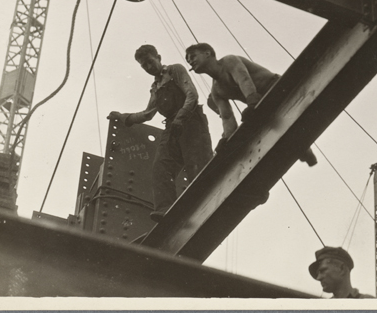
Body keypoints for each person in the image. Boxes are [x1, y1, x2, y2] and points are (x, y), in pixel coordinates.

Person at [108, 44, 212, 222]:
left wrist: (181, 117)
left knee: (197, 165)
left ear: (158, 57)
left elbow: (192, 95)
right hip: (172, 127)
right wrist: (123, 117)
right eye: (144, 66)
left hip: (191, 121)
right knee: (161, 167)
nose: (148, 67)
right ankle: (166, 209)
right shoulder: (155, 87)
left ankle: (206, 204)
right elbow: (147, 114)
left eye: (150, 62)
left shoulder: (175, 71)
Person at [184, 43, 317, 165]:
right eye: (188, 60)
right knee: (277, 127)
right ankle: (304, 150)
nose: (190, 61)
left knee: (286, 120)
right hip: (263, 104)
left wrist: (252, 101)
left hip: (277, 87)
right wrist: (227, 139)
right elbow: (227, 117)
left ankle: (304, 149)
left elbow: (243, 78)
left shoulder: (229, 61)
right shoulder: (216, 90)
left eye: (193, 56)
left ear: (207, 53)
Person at [309, 247, 374, 299]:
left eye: (323, 270)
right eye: (318, 273)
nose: (318, 278)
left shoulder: (369, 303)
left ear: (342, 269)